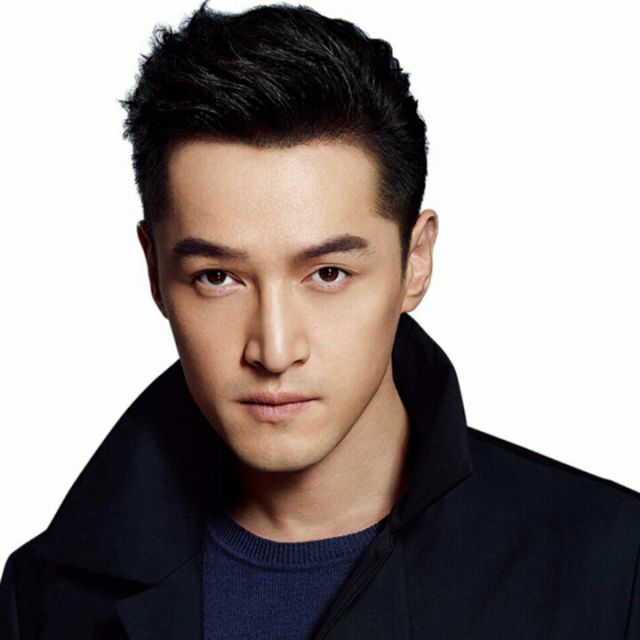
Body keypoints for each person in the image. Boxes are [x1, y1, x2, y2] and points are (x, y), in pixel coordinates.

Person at [1, 2, 639, 638]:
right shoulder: (47, 598)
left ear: (415, 262)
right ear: (154, 270)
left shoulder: (611, 566)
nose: (275, 350)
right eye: (217, 277)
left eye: (328, 274)